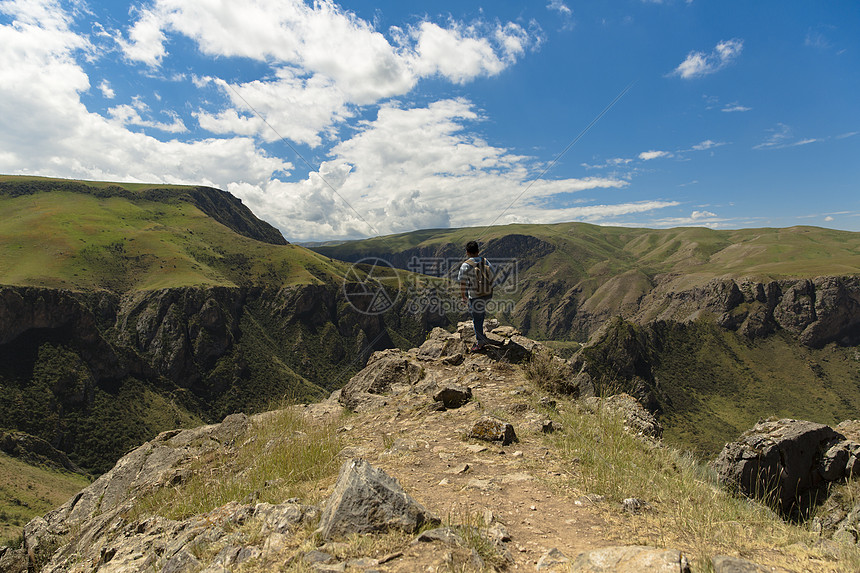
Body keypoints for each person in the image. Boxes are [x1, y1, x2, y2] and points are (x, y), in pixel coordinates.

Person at [458, 241, 495, 352]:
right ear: (478, 251)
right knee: (480, 314)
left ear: (467, 252)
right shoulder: (485, 261)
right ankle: (482, 336)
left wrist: (463, 296)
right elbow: (493, 275)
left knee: (477, 319)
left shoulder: (465, 265)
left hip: (475, 296)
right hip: (488, 294)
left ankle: (480, 343)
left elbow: (463, 283)